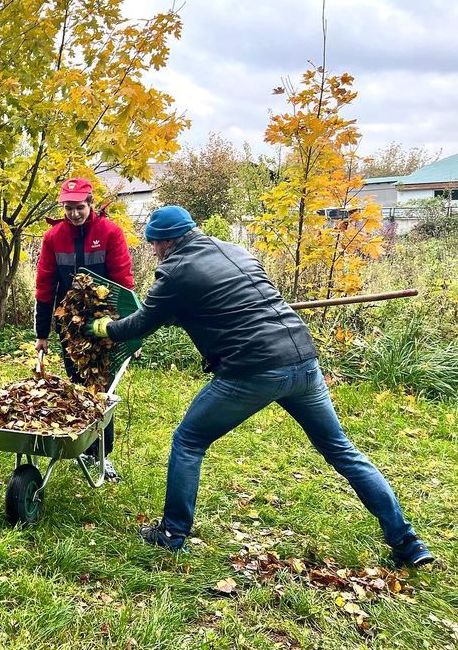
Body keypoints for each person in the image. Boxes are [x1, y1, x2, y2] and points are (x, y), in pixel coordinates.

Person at [90, 205, 433, 567]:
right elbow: (231, 303)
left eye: (154, 246)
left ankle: (173, 534)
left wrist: (103, 329)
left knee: (189, 441)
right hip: (303, 360)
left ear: (165, 242)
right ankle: (407, 542)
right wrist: (184, 315)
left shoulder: (174, 271)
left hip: (253, 370)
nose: (154, 252)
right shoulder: (235, 250)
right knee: (342, 451)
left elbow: (140, 324)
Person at [35, 177, 134, 481]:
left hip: (105, 323)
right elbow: (45, 285)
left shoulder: (109, 232)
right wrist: (42, 334)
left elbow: (124, 282)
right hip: (70, 325)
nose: (74, 213)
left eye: (79, 207)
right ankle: (84, 445)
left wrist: (129, 331)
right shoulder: (53, 237)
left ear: (91, 204)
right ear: (61, 206)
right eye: (68, 208)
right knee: (78, 383)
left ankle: (103, 456)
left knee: (102, 388)